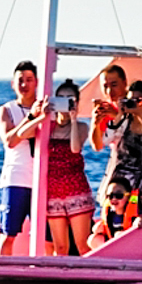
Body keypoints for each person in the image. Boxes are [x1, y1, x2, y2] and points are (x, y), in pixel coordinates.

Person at [91, 77, 142, 209]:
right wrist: (119, 115)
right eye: (131, 100)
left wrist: (140, 115)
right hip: (122, 182)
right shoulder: (123, 122)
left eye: (138, 100)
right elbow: (106, 140)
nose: (134, 104)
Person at [0, 60, 44, 255]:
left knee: (44, 235)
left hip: (41, 179)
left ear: (37, 82)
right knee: (8, 234)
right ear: (13, 84)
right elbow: (10, 140)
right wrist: (31, 118)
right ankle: (0, 272)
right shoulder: (6, 111)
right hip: (17, 178)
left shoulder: (45, 110)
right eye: (20, 80)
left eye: (29, 80)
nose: (24, 85)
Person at [44, 79, 94, 256]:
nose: (65, 103)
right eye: (61, 98)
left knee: (83, 245)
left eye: (70, 99)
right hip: (54, 191)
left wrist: (73, 120)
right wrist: (43, 115)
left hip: (76, 189)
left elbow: (75, 148)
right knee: (61, 248)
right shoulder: (47, 127)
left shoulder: (81, 127)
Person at [88, 176, 139, 249]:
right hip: (113, 246)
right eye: (110, 196)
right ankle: (106, 257)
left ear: (128, 196)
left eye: (119, 195)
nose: (114, 199)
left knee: (119, 235)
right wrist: (98, 228)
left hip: (131, 247)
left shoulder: (137, 213)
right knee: (93, 239)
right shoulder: (109, 214)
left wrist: (140, 219)